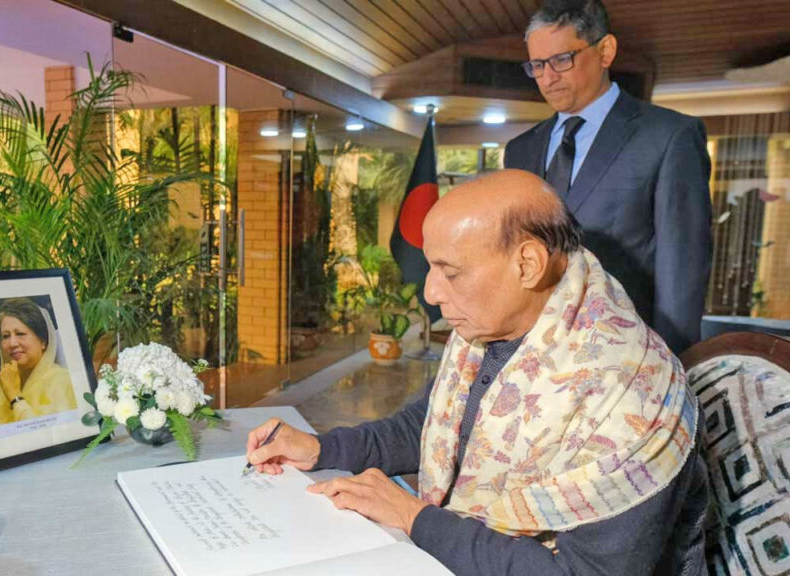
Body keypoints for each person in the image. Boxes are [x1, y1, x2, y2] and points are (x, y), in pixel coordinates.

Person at [246, 170, 709, 575]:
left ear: (527, 264)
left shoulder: (633, 398)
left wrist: (414, 517)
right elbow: (432, 427)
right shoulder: (498, 323)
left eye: (449, 272)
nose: (430, 292)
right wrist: (322, 448)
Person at [503, 0, 712, 355]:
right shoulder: (520, 150)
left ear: (605, 51)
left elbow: (682, 269)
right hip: (531, 352)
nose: (548, 78)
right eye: (537, 65)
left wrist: (671, 363)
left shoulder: (669, 136)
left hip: (623, 353)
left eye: (561, 60)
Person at [0, 298, 77, 425]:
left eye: (20, 334)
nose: (12, 343)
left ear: (43, 341)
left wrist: (15, 397)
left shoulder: (62, 381)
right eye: (6, 336)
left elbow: (49, 433)